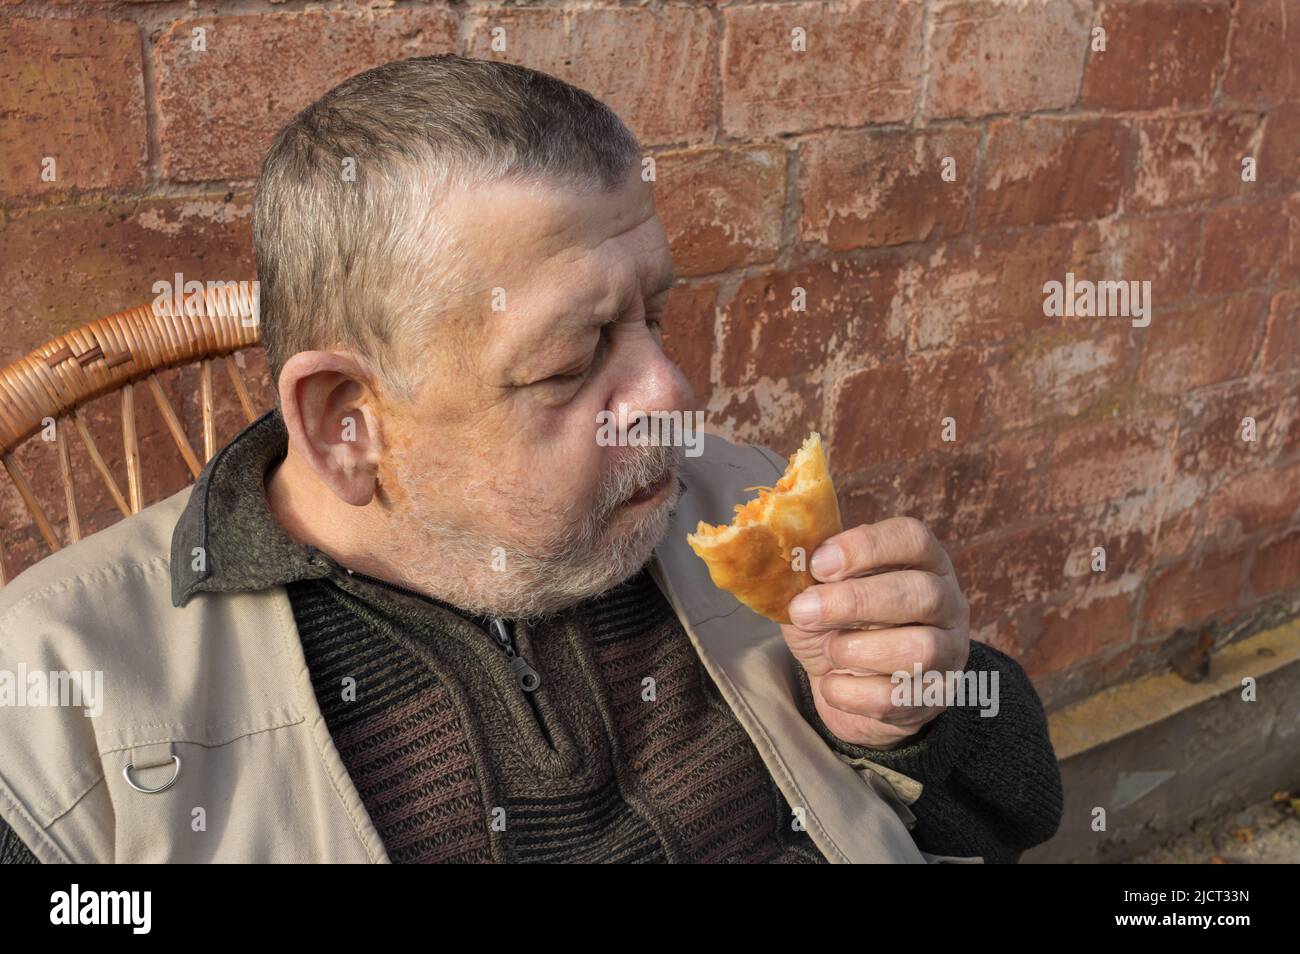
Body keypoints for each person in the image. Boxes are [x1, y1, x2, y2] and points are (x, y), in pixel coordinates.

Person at [0, 55, 1061, 863]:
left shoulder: (728, 501)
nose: (669, 394)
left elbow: (1016, 810)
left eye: (654, 313)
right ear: (345, 422)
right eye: (569, 361)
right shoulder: (58, 710)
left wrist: (915, 717)